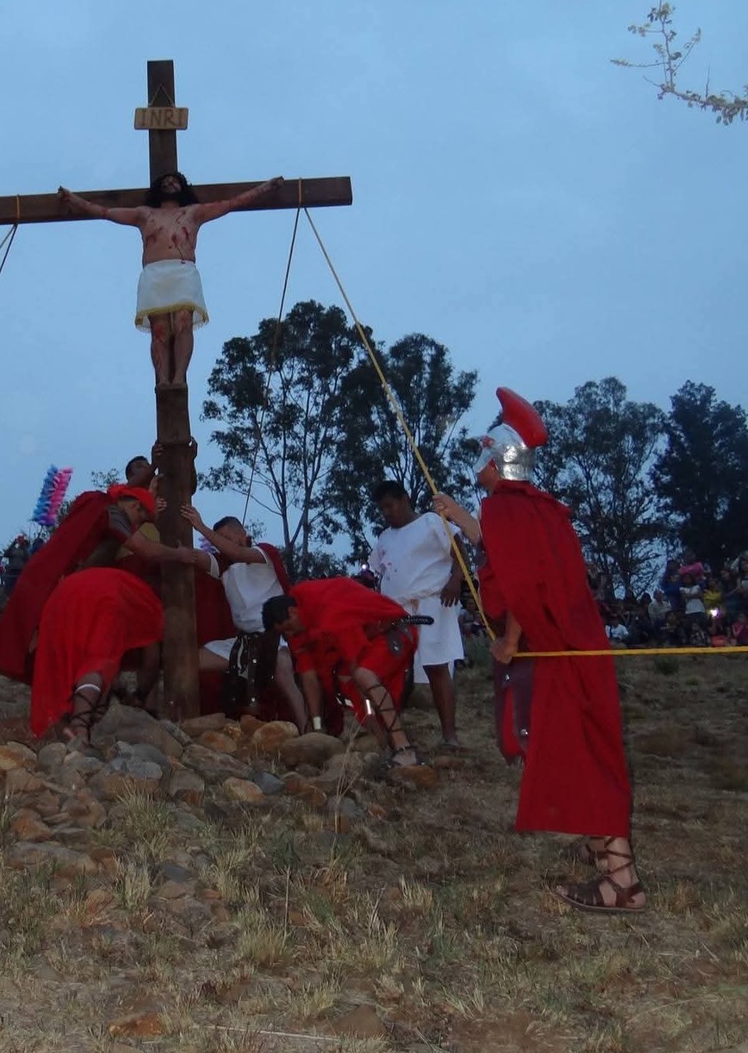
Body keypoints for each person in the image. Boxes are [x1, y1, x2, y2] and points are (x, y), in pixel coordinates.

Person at [433, 386, 645, 915]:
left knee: (578, 756)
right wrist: (461, 519)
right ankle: (606, 857)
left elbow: (524, 584)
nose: (476, 469)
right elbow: (513, 555)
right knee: (581, 750)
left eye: (481, 459)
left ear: (497, 460)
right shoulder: (537, 509)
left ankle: (621, 881)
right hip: (573, 650)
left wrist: (509, 640)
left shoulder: (507, 507)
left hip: (555, 655)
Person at [58, 171, 283, 387]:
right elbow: (104, 211)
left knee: (184, 321)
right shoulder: (144, 214)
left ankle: (178, 378)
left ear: (182, 187)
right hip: (155, 273)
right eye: (165, 181)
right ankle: (163, 380)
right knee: (160, 329)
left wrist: (265, 187)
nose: (169, 184)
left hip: (183, 270)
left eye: (174, 181)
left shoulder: (193, 212)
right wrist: (74, 199)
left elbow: (232, 203)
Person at [0, 482, 207, 679]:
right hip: (57, 575)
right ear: (133, 507)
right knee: (42, 632)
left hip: (44, 569)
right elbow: (145, 549)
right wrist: (180, 554)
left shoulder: (95, 502)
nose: (136, 525)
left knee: (36, 629)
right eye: (139, 519)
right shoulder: (112, 513)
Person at [262, 580, 424, 768]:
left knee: (362, 676)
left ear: (292, 612)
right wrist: (317, 727)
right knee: (347, 680)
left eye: (288, 628)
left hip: (393, 630)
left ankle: (404, 748)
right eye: (284, 634)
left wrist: (367, 708)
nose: (289, 635)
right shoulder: (298, 629)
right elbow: (309, 677)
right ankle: (382, 742)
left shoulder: (329, 608)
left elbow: (355, 665)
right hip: (366, 643)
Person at [182, 504, 307, 725]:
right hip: (242, 642)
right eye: (219, 539)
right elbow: (195, 557)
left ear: (243, 534)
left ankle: (307, 728)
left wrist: (200, 526)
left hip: (274, 636)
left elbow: (238, 553)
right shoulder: (223, 565)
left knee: (285, 679)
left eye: (228, 537)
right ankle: (184, 719)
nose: (223, 544)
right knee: (191, 661)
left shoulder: (262, 553)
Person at [367, 481, 465, 747]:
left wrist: (456, 579)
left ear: (405, 499)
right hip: (397, 610)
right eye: (382, 508)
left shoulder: (431, 523)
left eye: (390, 505)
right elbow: (379, 573)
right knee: (394, 669)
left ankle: (449, 735)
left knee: (436, 666)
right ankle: (390, 730)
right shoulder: (385, 537)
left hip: (432, 602)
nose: (386, 512)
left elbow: (459, 552)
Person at [30, 558, 165, 741]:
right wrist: (140, 696)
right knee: (98, 662)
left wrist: (121, 692)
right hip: (103, 598)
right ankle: (80, 727)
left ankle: (65, 721)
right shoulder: (150, 605)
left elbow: (113, 676)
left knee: (75, 659)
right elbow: (152, 661)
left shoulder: (126, 584)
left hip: (63, 594)